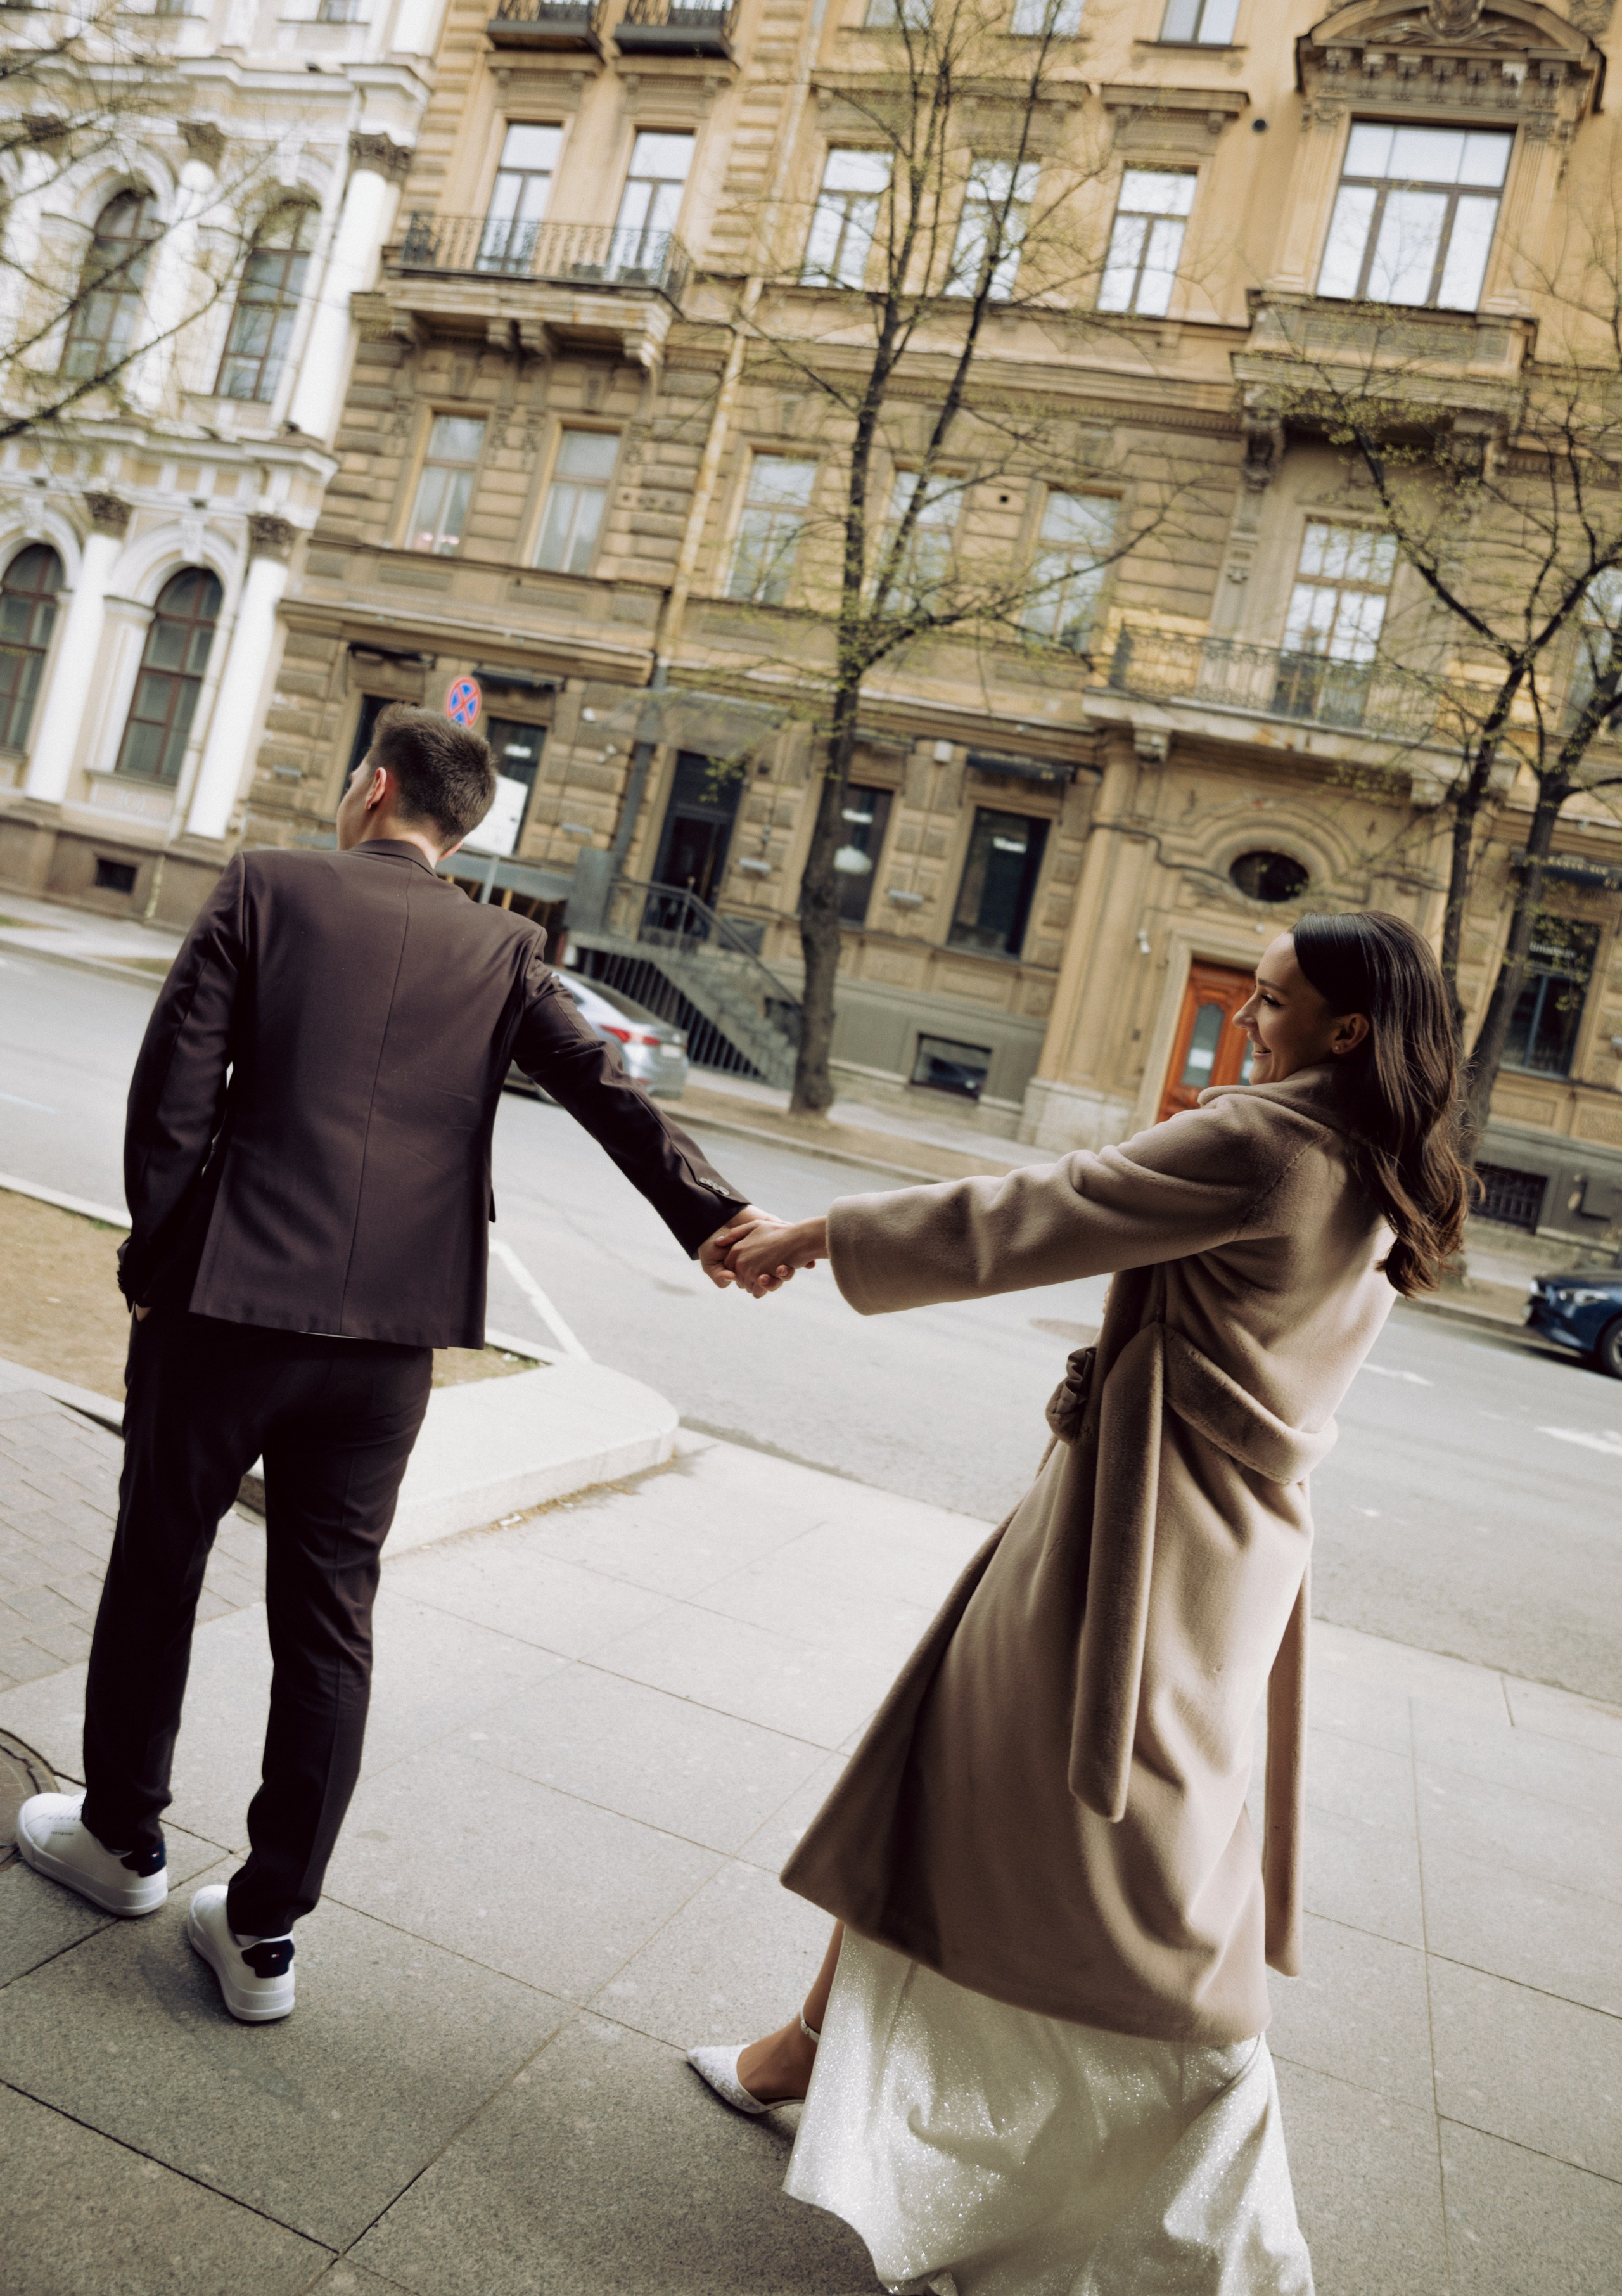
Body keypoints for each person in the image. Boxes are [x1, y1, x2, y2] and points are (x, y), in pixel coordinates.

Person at [691, 912, 1469, 2296]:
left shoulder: (1264, 1144)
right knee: (941, 1762)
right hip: (1200, 1548)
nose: (1247, 1019)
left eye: (1274, 1002)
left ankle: (1228, 2225)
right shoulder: (1382, 1170)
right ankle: (795, 2056)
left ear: (1343, 1030)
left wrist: (811, 1235)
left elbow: (1037, 1208)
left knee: (1145, 1887)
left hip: (1138, 1554)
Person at [17, 704, 774, 2025]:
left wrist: (164, 1259)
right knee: (329, 1619)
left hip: (231, 1305)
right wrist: (715, 1218)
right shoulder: (504, 948)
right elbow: (606, 1090)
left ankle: (124, 1839)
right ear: (460, 824)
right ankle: (262, 1939)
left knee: (159, 1564)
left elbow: (173, 1095)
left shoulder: (265, 885)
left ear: (374, 788)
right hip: (393, 1344)